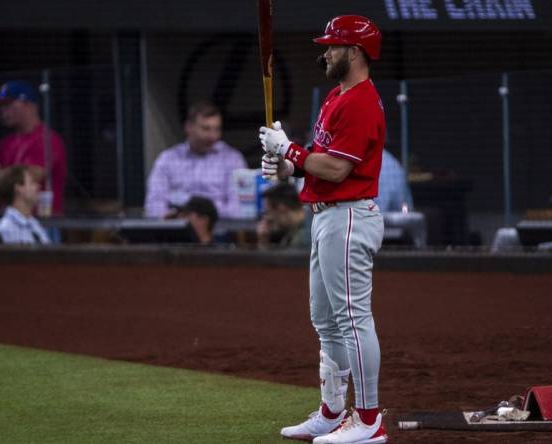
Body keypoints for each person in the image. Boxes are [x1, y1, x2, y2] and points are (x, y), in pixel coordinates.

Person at [259, 15, 388, 444]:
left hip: (349, 215)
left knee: (352, 318)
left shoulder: (361, 101)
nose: (326, 52)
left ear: (354, 52)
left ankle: (369, 422)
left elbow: (336, 168)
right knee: (326, 319)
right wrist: (288, 165)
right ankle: (333, 412)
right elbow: (318, 160)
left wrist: (291, 148)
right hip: (327, 215)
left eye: (333, 46)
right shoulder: (337, 95)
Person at [144, 100, 247, 219]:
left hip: (219, 230)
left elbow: (238, 209)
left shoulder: (232, 159)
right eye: (206, 129)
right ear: (188, 127)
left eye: (216, 129)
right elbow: (153, 205)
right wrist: (172, 217)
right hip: (176, 231)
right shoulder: (167, 159)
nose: (212, 136)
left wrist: (199, 214)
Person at [0, 80, 67, 215]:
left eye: (8, 104)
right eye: (1, 106)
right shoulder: (6, 143)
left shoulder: (48, 140)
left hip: (42, 223)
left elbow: (24, 181)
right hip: (10, 220)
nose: (3, 110)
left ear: (29, 105)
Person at [0, 164, 51, 245]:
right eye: (32, 182)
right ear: (19, 188)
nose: (37, 186)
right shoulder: (6, 228)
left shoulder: (34, 224)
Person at [256, 183, 311, 249]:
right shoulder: (294, 228)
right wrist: (264, 239)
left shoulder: (304, 238)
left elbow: (286, 258)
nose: (267, 218)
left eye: (268, 212)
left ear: (281, 208)